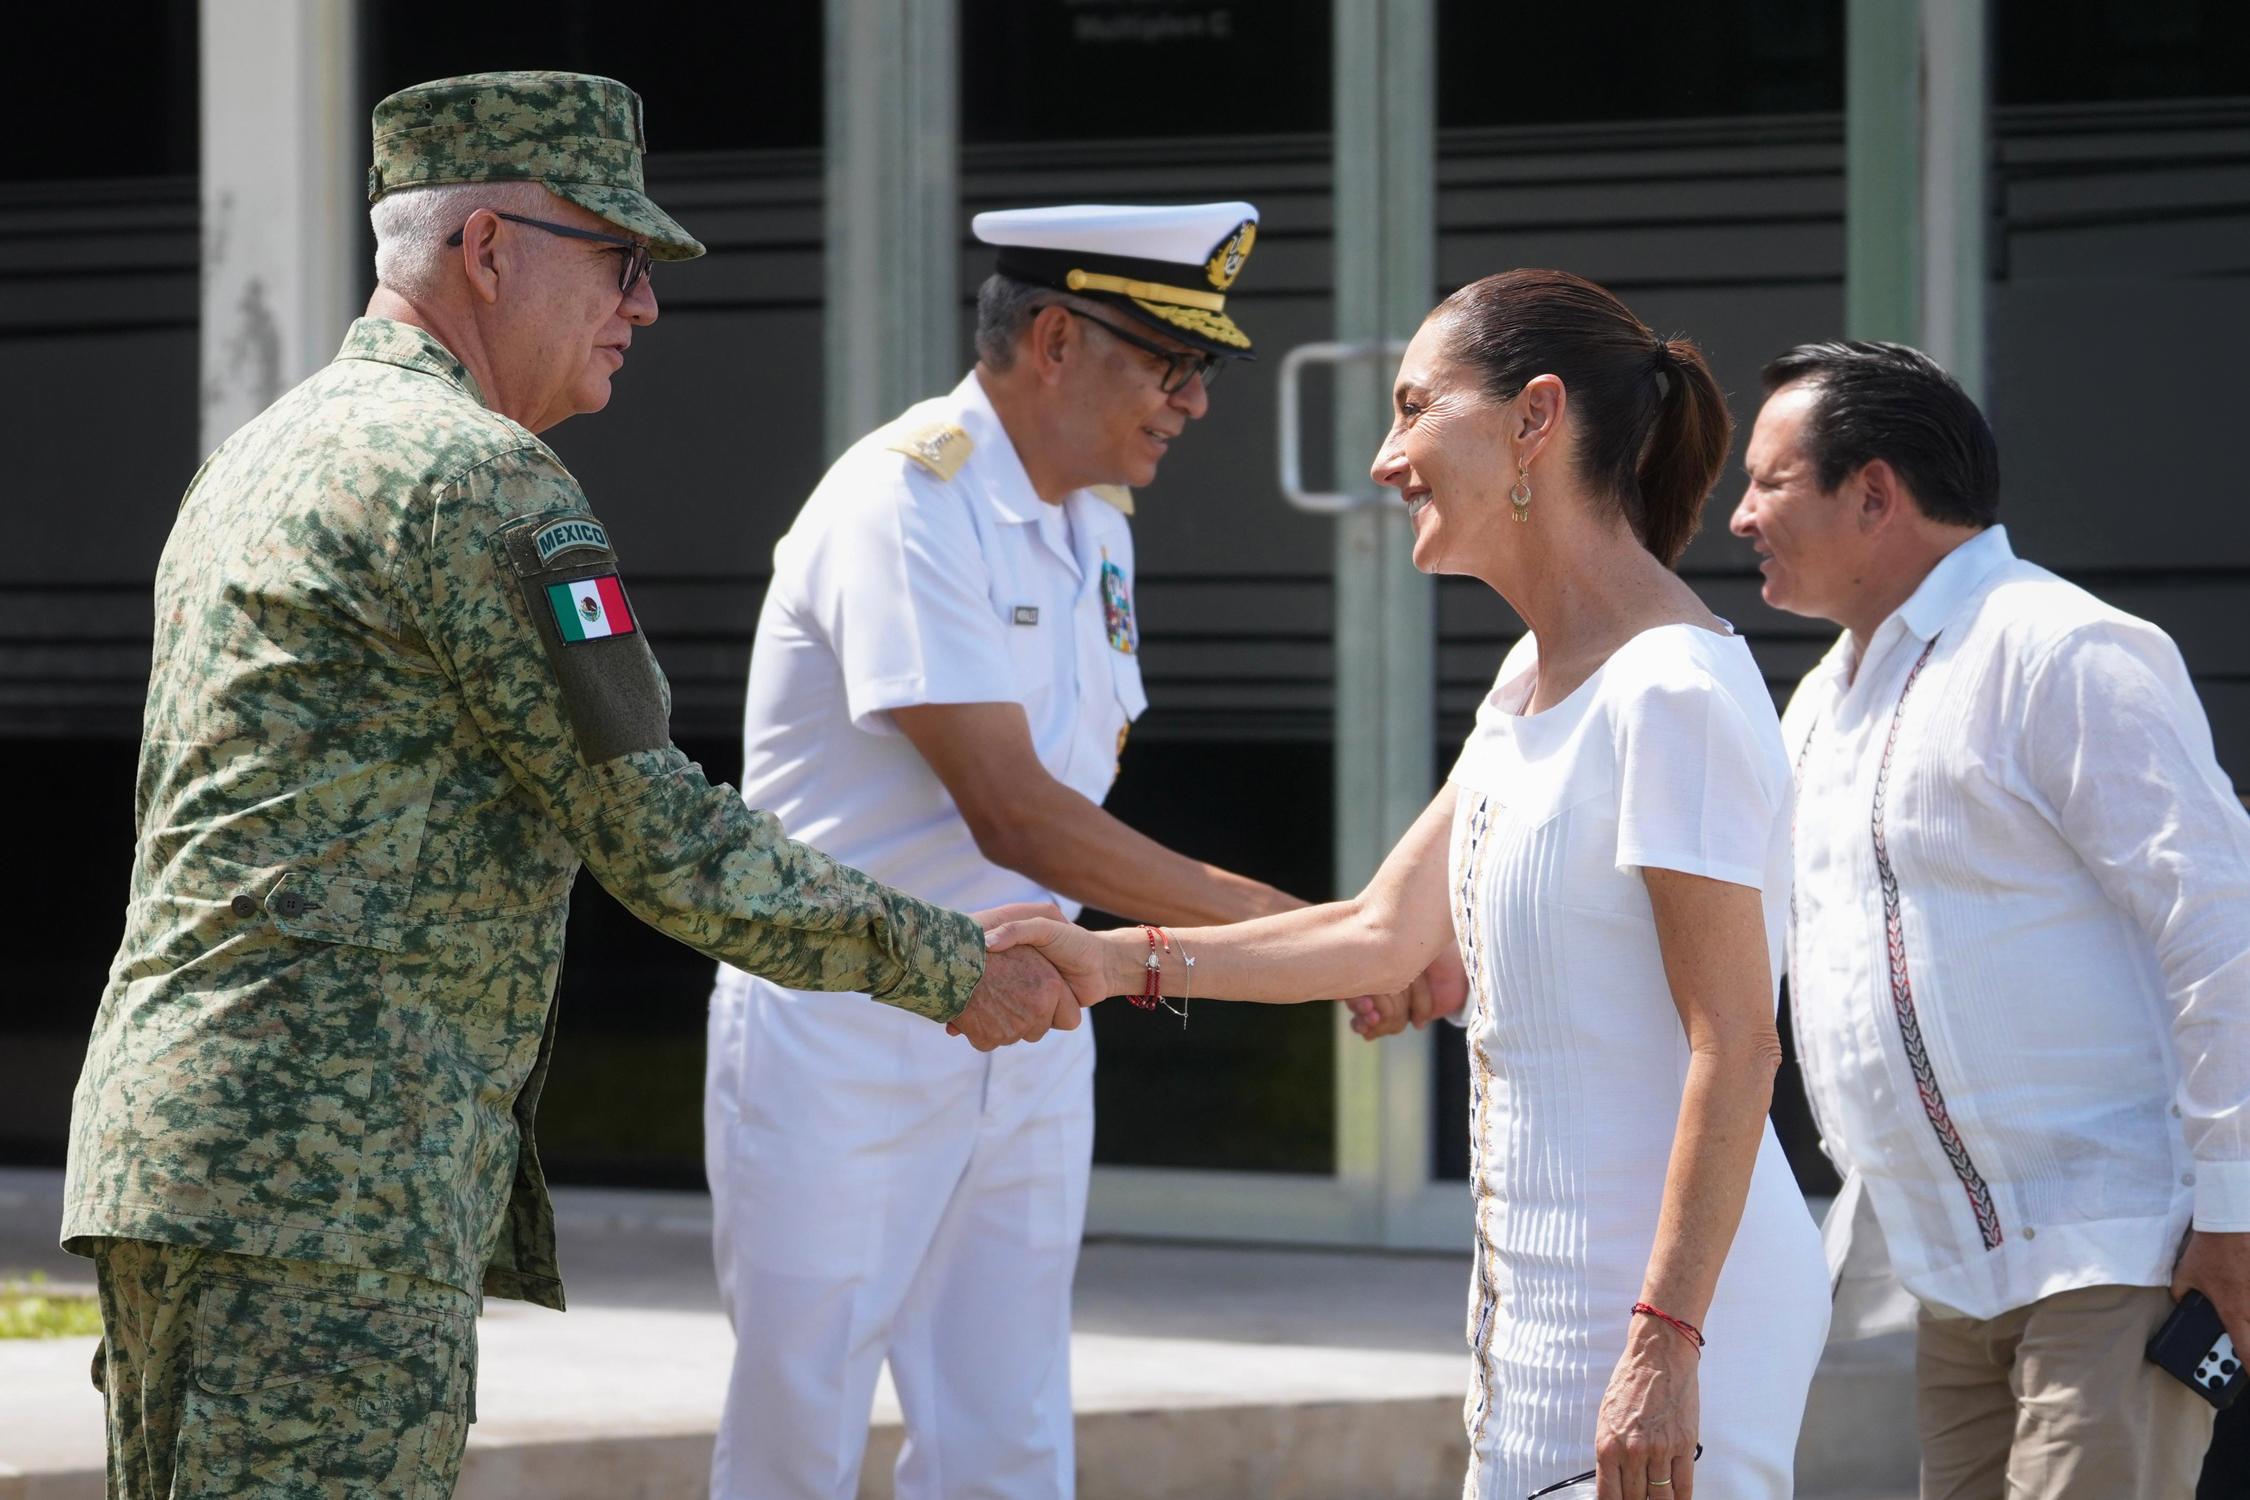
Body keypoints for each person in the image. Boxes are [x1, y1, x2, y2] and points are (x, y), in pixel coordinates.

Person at [63, 72, 1086, 1500]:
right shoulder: (480, 482)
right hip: (330, 1188)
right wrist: (945, 963)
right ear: (487, 250)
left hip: (179, 1154)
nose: (643, 305)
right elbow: (654, 828)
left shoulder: (260, 456)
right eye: (616, 261)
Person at [989, 269, 1832, 1500]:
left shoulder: (1674, 693)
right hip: (1546, 1316)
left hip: (1672, 1323)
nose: (1385, 460)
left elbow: (1737, 1046)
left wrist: (1662, 1345)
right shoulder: (1530, 680)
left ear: (1534, 418)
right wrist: (1119, 958)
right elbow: (1386, 934)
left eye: (1412, 408)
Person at [702, 201, 1446, 1500]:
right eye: (1170, 365)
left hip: (1032, 1019)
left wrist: (1314, 941)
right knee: (796, 1430)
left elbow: (1052, 816)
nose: (1193, 403)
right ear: (1053, 338)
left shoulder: (1092, 520)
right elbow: (1017, 813)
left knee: (1008, 1427)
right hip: (850, 1028)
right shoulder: (903, 500)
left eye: (1199, 370)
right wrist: (1313, 936)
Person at [1730, 340, 2250, 1500]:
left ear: (1874, 494)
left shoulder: (2063, 649)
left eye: (1767, 481)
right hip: (1952, 1271)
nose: (1739, 516)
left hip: (2121, 1246)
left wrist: (2237, 1210)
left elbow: (2220, 931)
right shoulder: (1826, 695)